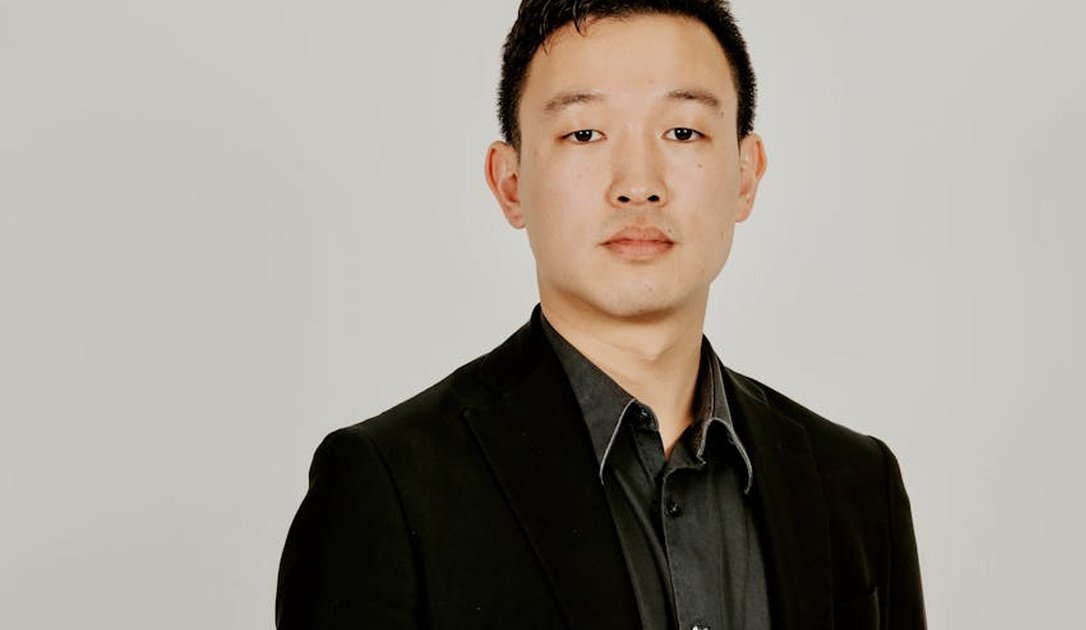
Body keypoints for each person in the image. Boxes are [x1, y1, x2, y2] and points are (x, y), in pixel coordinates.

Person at [275, 1, 926, 628]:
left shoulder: (856, 485)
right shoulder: (388, 488)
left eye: (683, 131)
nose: (638, 182)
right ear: (510, 183)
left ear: (746, 175)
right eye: (584, 132)